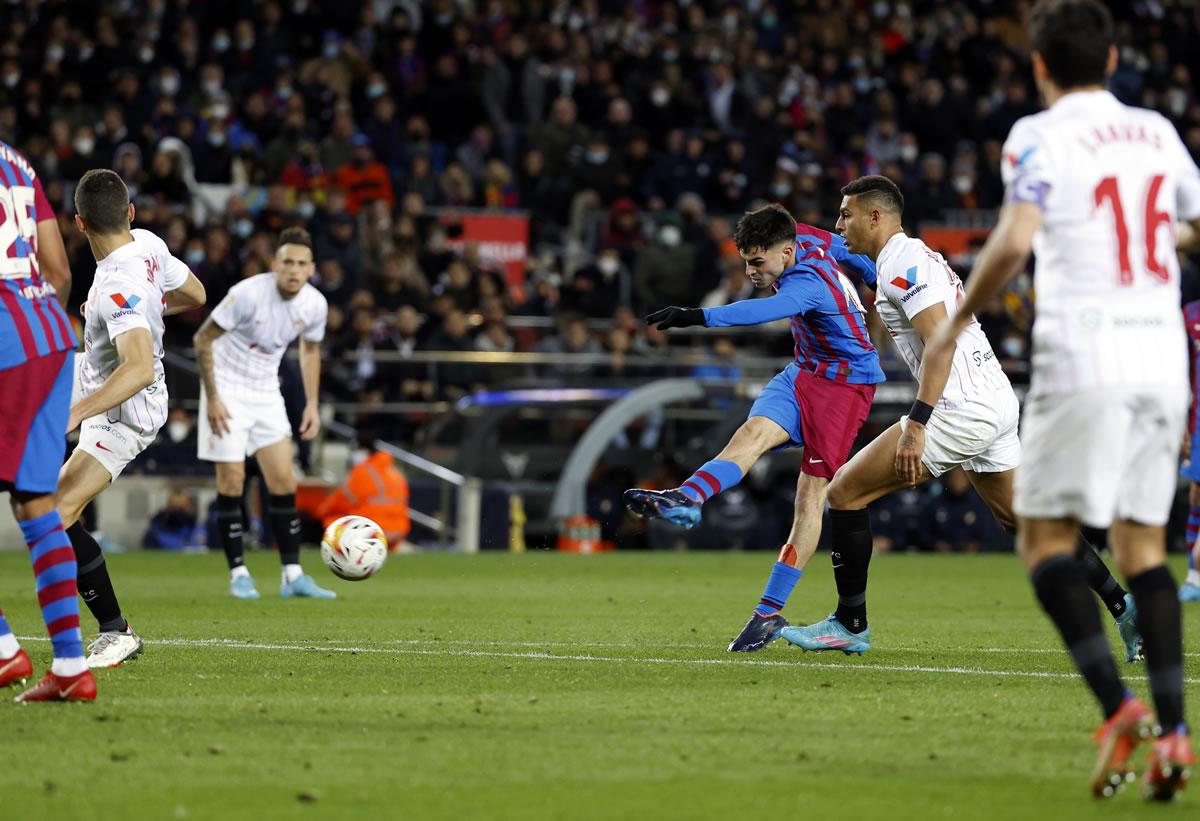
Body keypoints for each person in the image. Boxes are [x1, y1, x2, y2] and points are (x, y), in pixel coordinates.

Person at [921, 0, 1200, 799]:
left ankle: (1118, 709)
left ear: (1040, 66)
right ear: (1112, 61)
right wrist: (1157, 242)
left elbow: (1012, 239)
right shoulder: (1157, 132)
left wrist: (953, 327)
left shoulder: (1036, 136)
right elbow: (1194, 223)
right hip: (1161, 356)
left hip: (1085, 351)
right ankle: (1176, 732)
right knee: (1146, 549)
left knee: (1044, 540)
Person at [779, 175, 1140, 663]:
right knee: (1022, 520)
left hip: (960, 405)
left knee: (843, 492)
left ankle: (850, 623)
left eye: (845, 214)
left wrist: (917, 424)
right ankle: (1124, 607)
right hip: (992, 396)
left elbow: (940, 339)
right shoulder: (909, 256)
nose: (839, 223)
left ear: (875, 216)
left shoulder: (903, 262)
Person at [622, 204, 884, 652]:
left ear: (787, 252)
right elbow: (852, 251)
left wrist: (698, 316)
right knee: (749, 436)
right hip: (803, 372)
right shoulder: (803, 235)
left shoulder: (807, 286)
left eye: (758, 263)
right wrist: (876, 279)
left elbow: (763, 311)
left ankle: (767, 613)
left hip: (845, 389)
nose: (750, 270)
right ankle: (688, 498)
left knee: (809, 498)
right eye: (746, 260)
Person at [57, 169, 207, 670]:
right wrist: (151, 310)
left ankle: (116, 632)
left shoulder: (120, 286)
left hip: (123, 411)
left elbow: (139, 368)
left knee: (53, 515)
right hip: (93, 377)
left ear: (79, 223)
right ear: (130, 213)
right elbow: (197, 295)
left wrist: (74, 415)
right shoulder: (146, 243)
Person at [0, 140, 94, 701]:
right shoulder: (16, 162)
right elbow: (59, 269)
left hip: (6, 343)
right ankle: (69, 667)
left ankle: (6, 652)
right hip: (52, 338)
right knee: (36, 504)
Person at [193, 226, 334, 600]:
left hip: (266, 391)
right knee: (232, 482)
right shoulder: (246, 294)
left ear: (311, 269)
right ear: (275, 264)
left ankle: (292, 576)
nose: (293, 269)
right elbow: (202, 338)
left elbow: (310, 350)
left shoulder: (315, 305)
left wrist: (312, 405)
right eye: (287, 261)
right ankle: (239, 573)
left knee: (284, 482)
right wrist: (213, 397)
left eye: (302, 264)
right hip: (225, 389)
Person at [1179, 299, 1200, 602]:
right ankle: (1194, 577)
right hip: (1198, 421)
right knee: (1196, 494)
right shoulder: (1191, 313)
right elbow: (1181, 368)